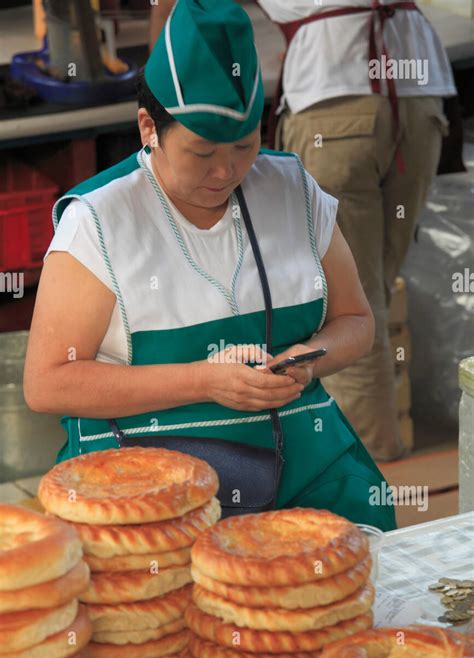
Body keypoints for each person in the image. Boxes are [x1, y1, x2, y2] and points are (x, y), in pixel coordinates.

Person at [24, 0, 396, 531]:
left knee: (357, 540)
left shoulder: (291, 189)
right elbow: (47, 383)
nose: (226, 171)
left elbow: (356, 322)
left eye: (245, 146)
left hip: (300, 455)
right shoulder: (100, 219)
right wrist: (205, 381)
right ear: (148, 126)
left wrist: (306, 362)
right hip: (143, 468)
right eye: (201, 152)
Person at [258, 0, 456, 461]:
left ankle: (372, 478)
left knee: (348, 308)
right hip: (419, 100)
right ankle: (383, 460)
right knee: (374, 296)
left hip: (332, 100)